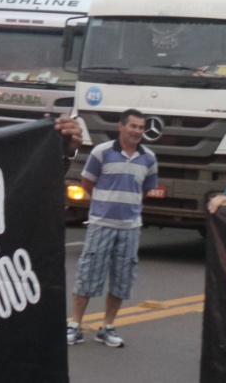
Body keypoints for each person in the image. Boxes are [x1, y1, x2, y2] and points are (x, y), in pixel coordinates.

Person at [67, 108, 157, 348]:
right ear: (121, 126)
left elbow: (145, 190)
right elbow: (88, 183)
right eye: (133, 126)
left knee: (122, 278)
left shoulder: (149, 157)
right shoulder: (101, 152)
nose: (137, 131)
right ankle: (74, 325)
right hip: (101, 224)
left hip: (130, 227)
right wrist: (106, 204)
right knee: (88, 275)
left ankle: (107, 327)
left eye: (141, 128)